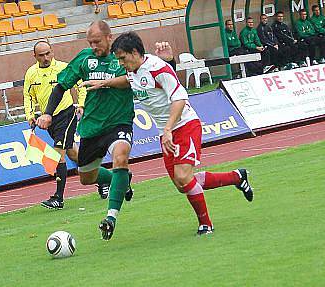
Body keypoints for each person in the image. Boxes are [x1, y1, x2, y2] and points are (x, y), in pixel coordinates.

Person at [81, 31, 254, 238]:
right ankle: (236, 176)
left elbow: (180, 98)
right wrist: (104, 83)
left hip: (184, 125)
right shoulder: (134, 70)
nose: (120, 63)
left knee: (183, 177)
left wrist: (168, 129)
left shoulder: (158, 68)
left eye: (122, 58)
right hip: (168, 132)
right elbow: (128, 80)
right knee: (183, 184)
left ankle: (206, 224)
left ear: (135, 52)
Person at [35, 21, 136, 240]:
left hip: (119, 121)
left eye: (97, 41)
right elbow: (61, 85)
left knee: (120, 156)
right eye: (90, 42)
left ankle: (110, 217)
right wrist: (48, 113)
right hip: (91, 126)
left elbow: (135, 78)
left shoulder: (123, 55)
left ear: (110, 37)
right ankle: (121, 180)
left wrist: (106, 83)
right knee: (86, 178)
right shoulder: (85, 58)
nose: (94, 46)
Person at [23, 40, 88, 209]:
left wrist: (81, 105)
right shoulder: (31, 73)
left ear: (52, 52)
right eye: (41, 55)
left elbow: (81, 87)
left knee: (58, 154)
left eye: (48, 53)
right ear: (35, 56)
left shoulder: (63, 68)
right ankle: (103, 179)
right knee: (73, 153)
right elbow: (28, 96)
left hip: (66, 114)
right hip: (48, 120)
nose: (46, 58)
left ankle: (58, 198)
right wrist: (30, 116)